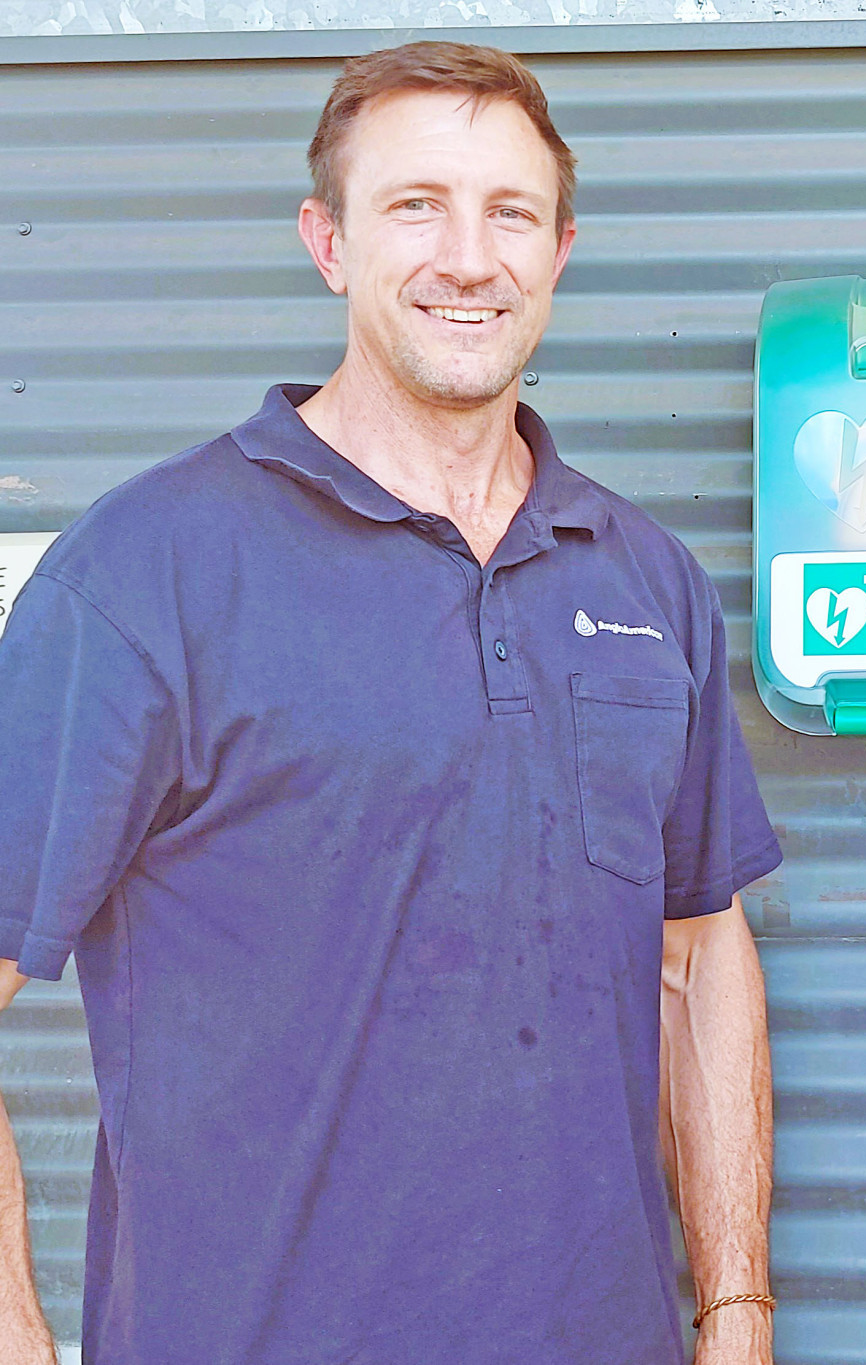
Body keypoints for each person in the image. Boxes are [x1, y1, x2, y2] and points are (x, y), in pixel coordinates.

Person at [0, 42, 782, 1364]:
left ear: (559, 250)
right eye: (416, 205)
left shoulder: (645, 578)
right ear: (328, 242)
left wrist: (740, 1310)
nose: (468, 257)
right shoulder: (147, 573)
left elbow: (698, 955)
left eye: (510, 213)